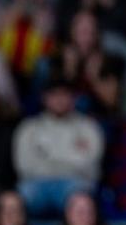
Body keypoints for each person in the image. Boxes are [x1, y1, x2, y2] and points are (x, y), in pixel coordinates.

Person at [12, 77, 104, 216]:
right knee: (15, 200)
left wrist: (48, 158)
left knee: (81, 200)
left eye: (64, 94)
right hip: (37, 184)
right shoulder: (29, 128)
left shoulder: (89, 127)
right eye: (54, 95)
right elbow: (24, 166)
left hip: (74, 183)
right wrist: (70, 158)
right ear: (45, 98)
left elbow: (89, 165)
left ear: (73, 98)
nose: (59, 99)